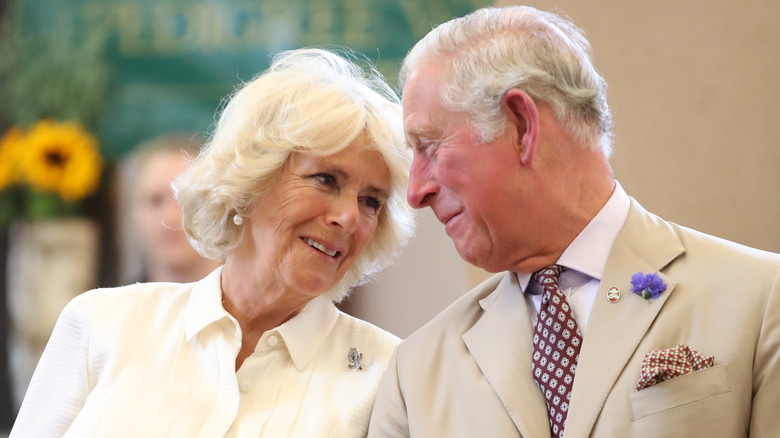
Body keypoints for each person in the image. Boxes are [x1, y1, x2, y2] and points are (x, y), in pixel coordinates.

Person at [368, 5, 780, 438]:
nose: (415, 193)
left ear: (522, 125)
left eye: (430, 146)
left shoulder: (763, 300)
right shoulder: (414, 373)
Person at [11, 47, 414, 437]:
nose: (348, 217)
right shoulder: (103, 323)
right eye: (326, 180)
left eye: (371, 202)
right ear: (253, 182)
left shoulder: (388, 372)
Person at [117, 133, 222, 284]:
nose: (170, 217)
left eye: (186, 200)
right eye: (155, 201)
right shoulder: (113, 306)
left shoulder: (256, 305)